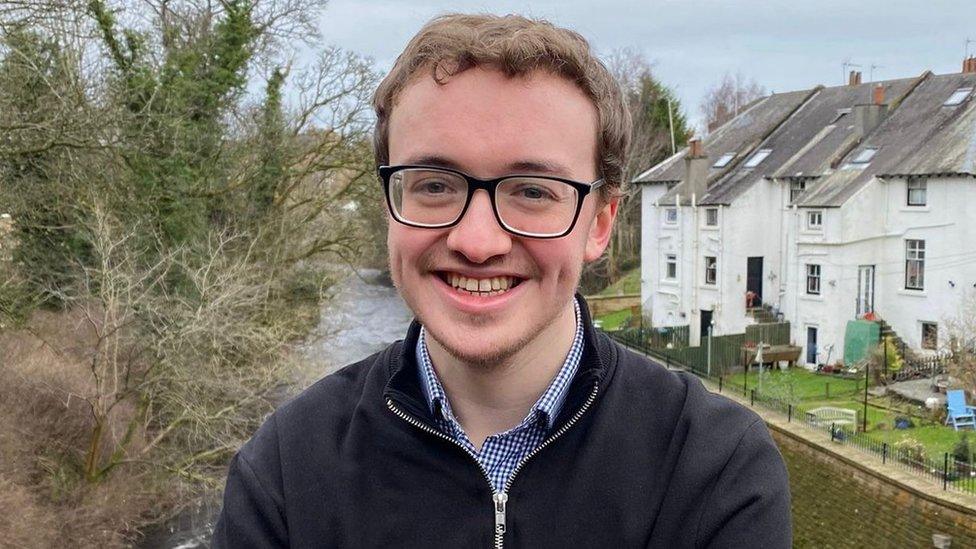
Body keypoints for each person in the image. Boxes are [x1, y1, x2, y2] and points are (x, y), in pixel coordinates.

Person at [213, 13, 791, 548]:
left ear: (600, 224)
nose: (477, 241)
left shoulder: (714, 469)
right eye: (435, 184)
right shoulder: (286, 471)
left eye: (534, 191)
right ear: (390, 207)